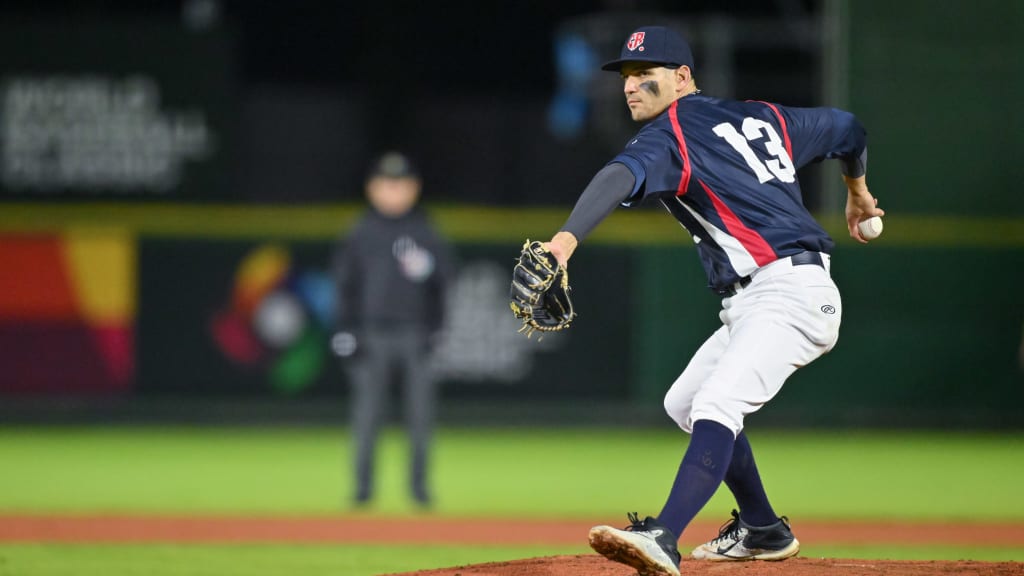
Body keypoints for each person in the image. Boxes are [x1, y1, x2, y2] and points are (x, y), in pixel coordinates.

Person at [536, 26, 883, 576]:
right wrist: (857, 190)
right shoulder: (763, 117)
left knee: (717, 404)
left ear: (682, 77)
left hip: (790, 293)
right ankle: (763, 529)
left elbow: (617, 177)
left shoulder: (669, 133)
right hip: (757, 300)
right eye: (626, 76)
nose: (630, 86)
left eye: (644, 74)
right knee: (685, 403)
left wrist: (563, 242)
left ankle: (664, 535)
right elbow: (847, 127)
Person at [332, 151, 455, 509]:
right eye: (386, 184)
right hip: (371, 334)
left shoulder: (425, 230)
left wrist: (438, 327)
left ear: (414, 188)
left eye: (401, 184)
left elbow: (445, 282)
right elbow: (344, 285)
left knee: (420, 418)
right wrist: (345, 330)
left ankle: (419, 489)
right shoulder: (360, 231)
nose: (393, 191)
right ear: (372, 188)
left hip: (416, 334)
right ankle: (362, 490)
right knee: (367, 416)